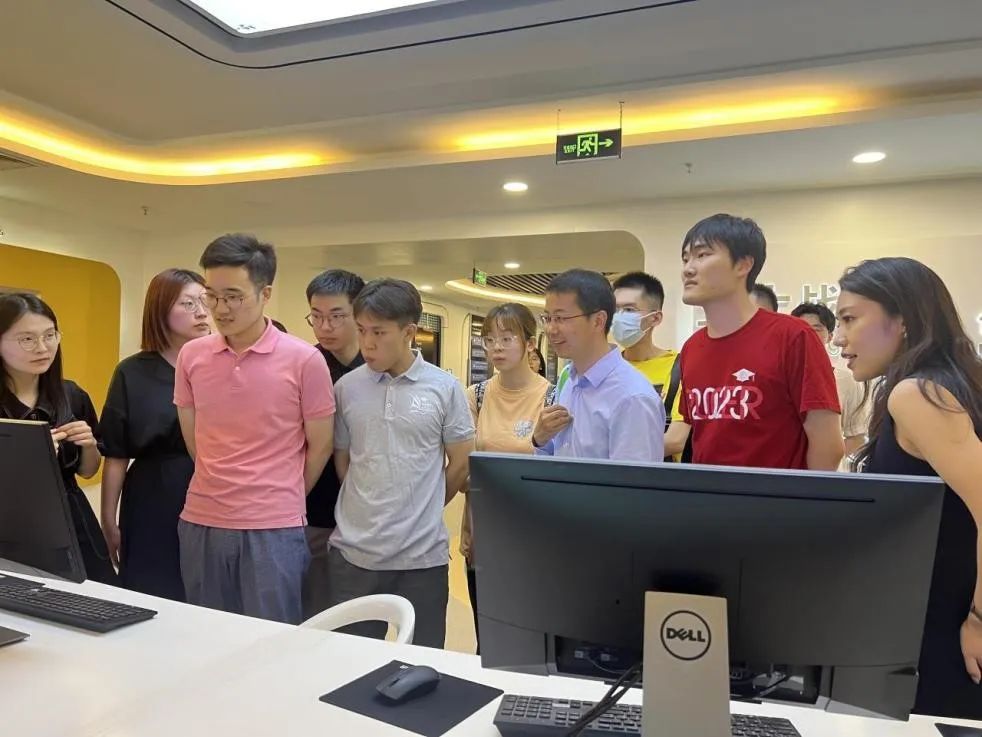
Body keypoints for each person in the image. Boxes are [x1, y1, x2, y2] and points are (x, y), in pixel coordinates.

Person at [835, 256, 982, 719]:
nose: (838, 338)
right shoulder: (945, 384)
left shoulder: (917, 394)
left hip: (946, 626)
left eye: (849, 319)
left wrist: (979, 620)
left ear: (902, 321)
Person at [174, 234, 336, 624]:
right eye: (211, 296)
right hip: (201, 518)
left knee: (272, 639)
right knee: (206, 633)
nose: (219, 308)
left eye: (233, 296)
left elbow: (321, 444)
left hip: (274, 527)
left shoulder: (304, 360)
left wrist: (282, 493)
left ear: (265, 294)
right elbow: (195, 440)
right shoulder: (192, 356)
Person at [328, 279, 474, 649]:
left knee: (421, 664)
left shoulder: (444, 388)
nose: (367, 343)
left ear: (409, 332)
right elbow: (344, 461)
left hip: (421, 560)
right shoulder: (347, 388)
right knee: (351, 661)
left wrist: (422, 507)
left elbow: (460, 462)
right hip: (355, 556)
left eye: (379, 332)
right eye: (362, 330)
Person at [675, 214, 843, 470]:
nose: (688, 268)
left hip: (775, 495)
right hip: (708, 493)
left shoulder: (793, 336)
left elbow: (828, 447)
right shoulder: (692, 348)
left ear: (743, 265)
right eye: (685, 258)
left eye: (702, 255)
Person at [100, 269, 210, 601]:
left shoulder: (221, 365)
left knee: (208, 593)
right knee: (152, 590)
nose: (202, 312)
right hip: (152, 495)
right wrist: (108, 519)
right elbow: (116, 453)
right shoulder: (132, 371)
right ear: (160, 309)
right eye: (188, 303)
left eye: (206, 301)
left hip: (212, 488)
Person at [0, 293, 117, 584]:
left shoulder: (71, 394)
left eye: (50, 335)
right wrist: (27, 459)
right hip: (10, 523)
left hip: (70, 517)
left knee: (93, 595)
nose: (42, 348)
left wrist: (89, 445)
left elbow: (87, 471)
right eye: (27, 339)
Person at [461, 303, 554, 652]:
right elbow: (463, 468)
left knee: (531, 645)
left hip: (534, 540)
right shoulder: (477, 395)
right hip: (483, 536)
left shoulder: (552, 396)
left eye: (506, 338)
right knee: (488, 643)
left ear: (530, 343)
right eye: (489, 340)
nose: (496, 347)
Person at [533, 269, 665, 461]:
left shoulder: (632, 397)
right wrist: (540, 440)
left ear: (598, 320)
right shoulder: (569, 380)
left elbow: (633, 479)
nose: (551, 329)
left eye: (561, 318)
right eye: (548, 318)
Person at [301, 268, 366, 620]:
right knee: (313, 611)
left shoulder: (378, 368)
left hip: (366, 514)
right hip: (315, 508)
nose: (325, 327)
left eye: (337, 316)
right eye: (316, 316)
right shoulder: (304, 365)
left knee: (361, 617)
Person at [611, 271, 683, 461]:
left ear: (655, 318)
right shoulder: (606, 368)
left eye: (629, 310)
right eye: (615, 310)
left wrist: (612, 454)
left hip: (658, 475)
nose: (619, 317)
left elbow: (676, 440)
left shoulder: (680, 368)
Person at [791, 301, 870, 469]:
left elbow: (855, 436)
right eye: (801, 328)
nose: (808, 334)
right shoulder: (778, 378)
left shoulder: (846, 380)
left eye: (817, 329)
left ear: (830, 336)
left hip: (828, 475)